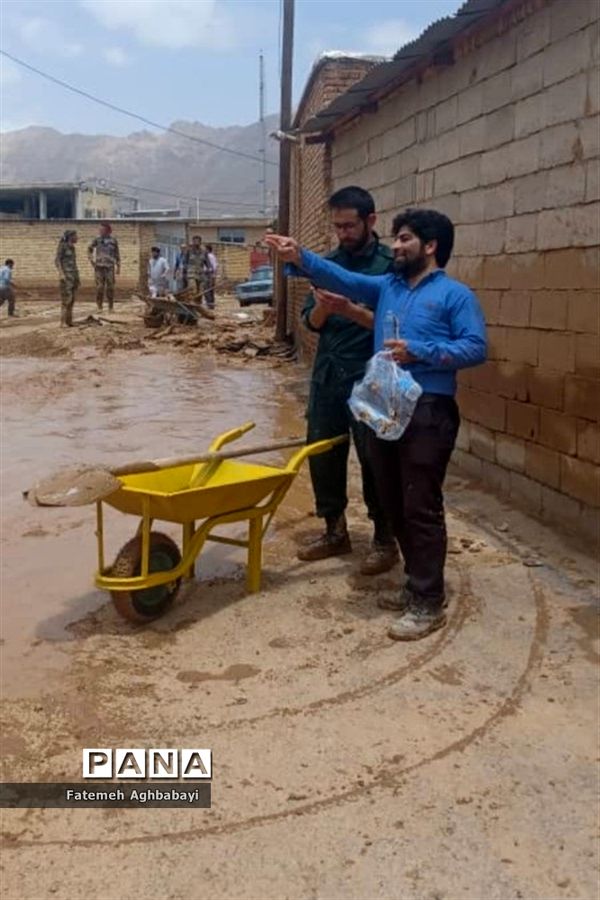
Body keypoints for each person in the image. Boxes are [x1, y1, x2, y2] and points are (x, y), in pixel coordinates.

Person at [265, 208, 487, 641]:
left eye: (404, 239)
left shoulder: (455, 295)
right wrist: (302, 255)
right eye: (396, 239)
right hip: (385, 409)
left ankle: (428, 601)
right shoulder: (388, 285)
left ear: (431, 246)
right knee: (392, 499)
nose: (396, 246)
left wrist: (422, 351)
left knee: (420, 504)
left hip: (428, 410)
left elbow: (476, 347)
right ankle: (414, 585)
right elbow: (342, 279)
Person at [297, 186, 398, 576]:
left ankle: (385, 540)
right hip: (328, 375)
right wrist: (323, 308)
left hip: (371, 377)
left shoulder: (391, 266)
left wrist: (351, 309)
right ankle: (334, 531)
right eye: (336, 226)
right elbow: (310, 324)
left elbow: (396, 325)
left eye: (349, 225)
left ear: (371, 221)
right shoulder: (327, 264)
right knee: (322, 452)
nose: (342, 233)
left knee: (376, 459)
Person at [88, 222, 120, 311]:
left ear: (108, 231)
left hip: (109, 267)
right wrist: (91, 260)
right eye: (100, 230)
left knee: (110, 287)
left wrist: (118, 266)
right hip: (99, 267)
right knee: (100, 287)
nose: (100, 231)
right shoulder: (97, 239)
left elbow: (117, 254)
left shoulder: (113, 240)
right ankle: (99, 306)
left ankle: (110, 306)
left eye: (102, 230)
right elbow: (89, 248)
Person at [55, 230, 80, 327]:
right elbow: (57, 261)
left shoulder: (72, 248)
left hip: (73, 276)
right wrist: (61, 274)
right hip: (66, 277)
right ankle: (62, 322)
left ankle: (69, 321)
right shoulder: (62, 246)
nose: (77, 237)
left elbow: (74, 264)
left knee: (72, 299)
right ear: (71, 236)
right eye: (76, 236)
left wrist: (77, 278)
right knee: (66, 300)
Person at [187, 235, 209, 300]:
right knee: (193, 289)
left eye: (197, 241)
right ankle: (192, 302)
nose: (196, 243)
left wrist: (210, 270)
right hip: (191, 274)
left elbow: (208, 263)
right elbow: (185, 262)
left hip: (201, 274)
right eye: (194, 241)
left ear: (200, 242)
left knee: (200, 292)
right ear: (192, 242)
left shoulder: (204, 252)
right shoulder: (189, 251)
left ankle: (198, 304)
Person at [205, 244, 218, 309]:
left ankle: (210, 304)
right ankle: (211, 304)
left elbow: (214, 266)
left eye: (205, 249)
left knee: (207, 289)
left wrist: (213, 274)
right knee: (210, 290)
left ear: (207, 249)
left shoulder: (209, 256)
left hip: (209, 274)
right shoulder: (212, 256)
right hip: (210, 274)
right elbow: (215, 266)